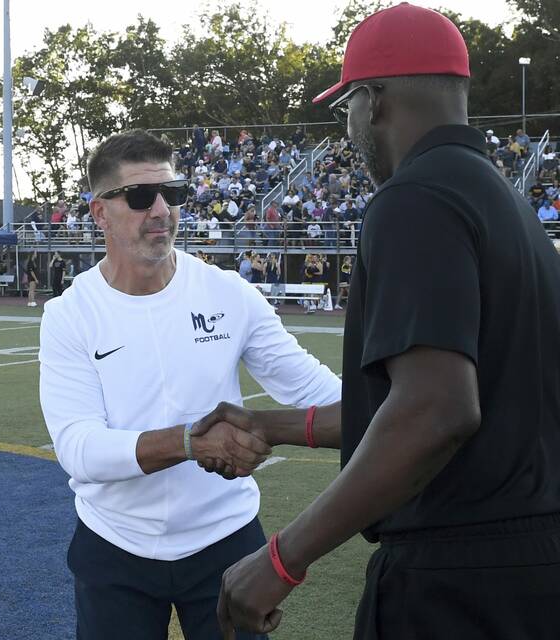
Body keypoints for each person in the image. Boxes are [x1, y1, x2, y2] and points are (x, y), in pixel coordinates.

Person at [194, 4, 560, 638]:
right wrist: (270, 425)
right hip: (532, 569)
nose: (350, 129)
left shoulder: (413, 199)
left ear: (375, 99)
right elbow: (436, 401)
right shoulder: (504, 201)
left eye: (349, 109)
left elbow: (436, 410)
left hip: (458, 582)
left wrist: (282, 558)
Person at [38, 129, 341, 640]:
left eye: (172, 193)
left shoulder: (228, 293)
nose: (161, 209)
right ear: (98, 213)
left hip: (226, 542)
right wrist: (189, 442)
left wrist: (402, 402)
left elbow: (319, 393)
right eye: (139, 197)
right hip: (115, 545)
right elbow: (79, 449)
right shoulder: (70, 314)